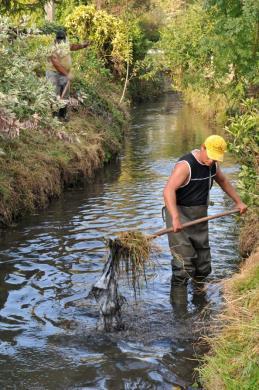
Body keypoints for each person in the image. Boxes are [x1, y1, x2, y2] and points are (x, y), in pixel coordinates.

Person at [163, 135, 247, 309]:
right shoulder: (185, 166)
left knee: (203, 265)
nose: (211, 161)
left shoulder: (213, 165)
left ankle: (200, 303)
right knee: (182, 268)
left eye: (215, 158)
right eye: (210, 156)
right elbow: (168, 190)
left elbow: (223, 181)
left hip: (200, 216)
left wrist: (238, 202)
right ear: (202, 148)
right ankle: (180, 315)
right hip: (179, 217)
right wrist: (175, 218)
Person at [46, 29, 89, 120]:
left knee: (65, 94)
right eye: (59, 40)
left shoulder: (65, 43)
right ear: (56, 39)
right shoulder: (53, 47)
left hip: (64, 73)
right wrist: (67, 74)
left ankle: (63, 115)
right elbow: (56, 63)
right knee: (55, 93)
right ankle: (55, 117)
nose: (61, 42)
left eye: (62, 40)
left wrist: (82, 46)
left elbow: (72, 47)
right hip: (53, 73)